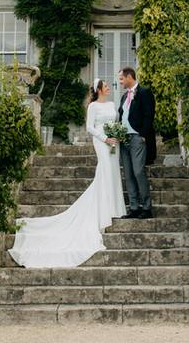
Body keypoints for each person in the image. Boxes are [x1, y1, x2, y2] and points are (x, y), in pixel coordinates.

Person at [7, 78, 126, 268]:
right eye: (105, 86)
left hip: (114, 142)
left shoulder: (112, 104)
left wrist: (116, 135)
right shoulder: (93, 106)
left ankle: (115, 207)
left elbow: (117, 121)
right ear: (99, 90)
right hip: (102, 142)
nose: (108, 88)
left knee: (112, 172)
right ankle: (105, 209)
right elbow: (89, 127)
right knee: (103, 170)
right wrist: (105, 138)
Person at [117, 66, 156, 219]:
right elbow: (122, 116)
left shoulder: (144, 92)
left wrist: (143, 135)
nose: (120, 82)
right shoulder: (123, 97)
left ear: (129, 77)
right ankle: (134, 207)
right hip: (124, 139)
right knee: (128, 173)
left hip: (137, 138)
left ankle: (146, 208)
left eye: (121, 79)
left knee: (138, 171)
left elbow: (149, 115)